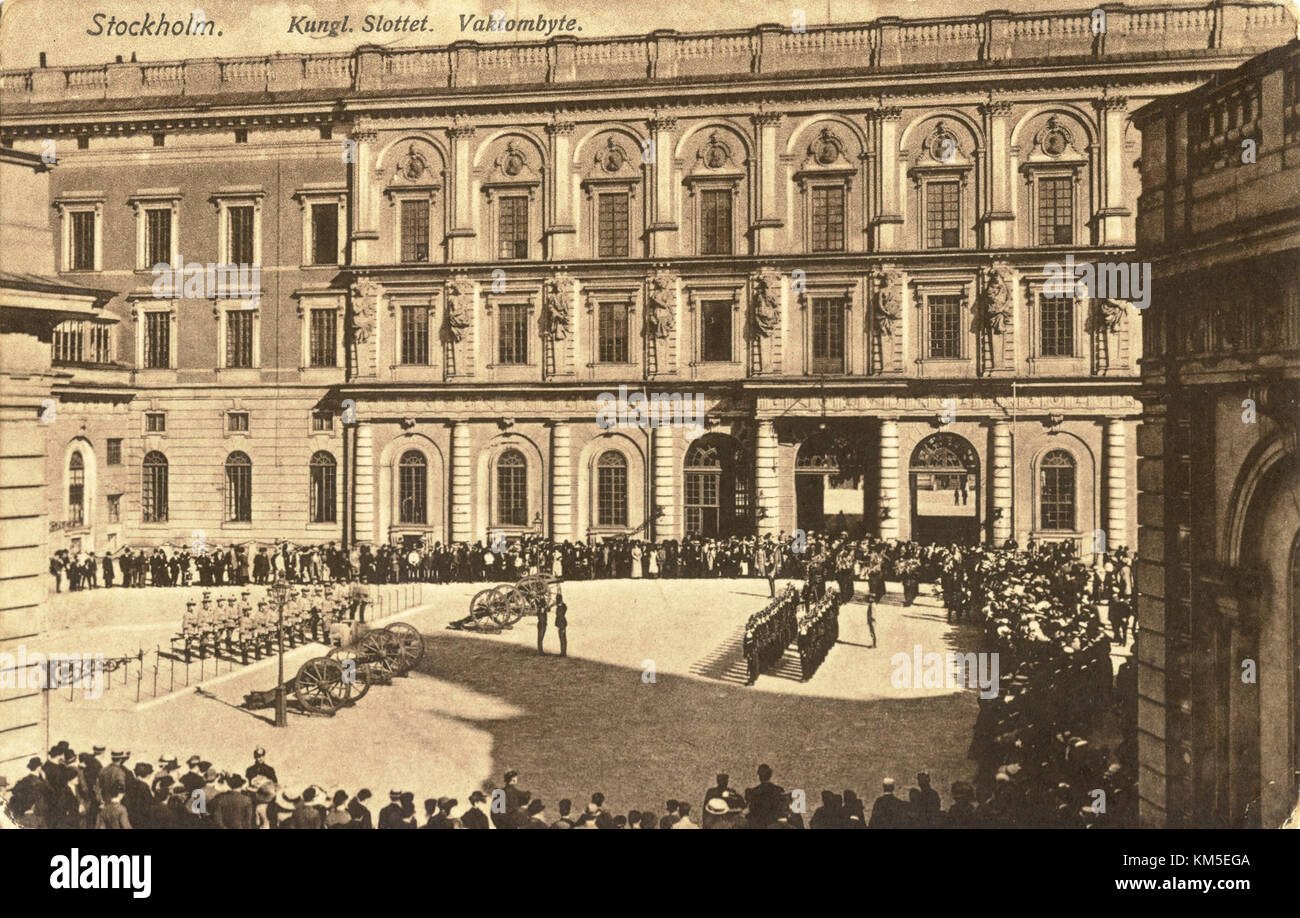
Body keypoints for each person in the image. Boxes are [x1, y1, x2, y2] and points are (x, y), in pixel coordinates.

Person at [743, 764, 786, 829]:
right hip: (774, 822)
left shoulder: (752, 792)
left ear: (759, 776)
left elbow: (749, 808)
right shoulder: (778, 790)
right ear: (770, 775)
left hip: (757, 824)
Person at [554, 589, 568, 658]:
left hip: (561, 624)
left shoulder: (561, 607)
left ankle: (563, 653)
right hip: (561, 624)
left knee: (562, 639)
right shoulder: (562, 606)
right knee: (562, 639)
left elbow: (559, 615)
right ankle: (563, 652)